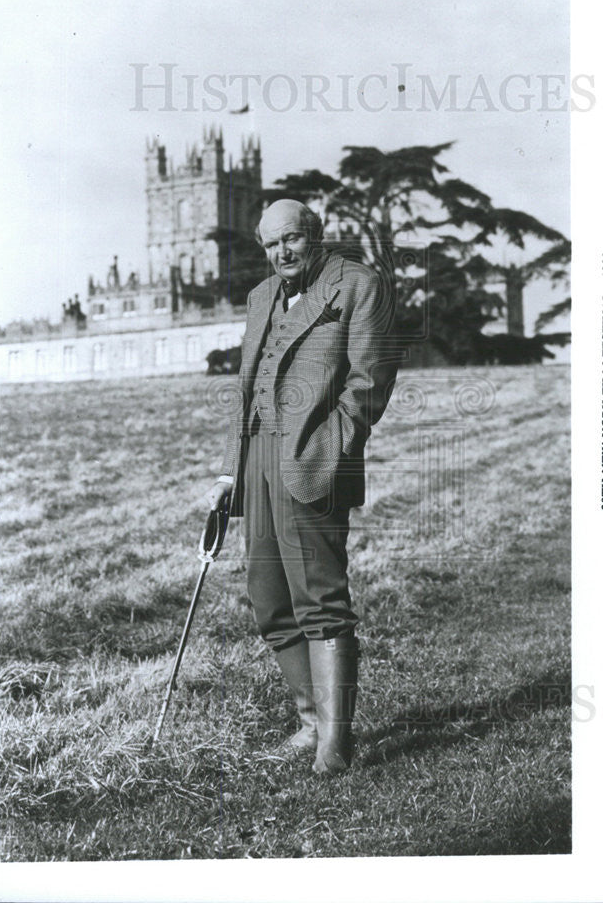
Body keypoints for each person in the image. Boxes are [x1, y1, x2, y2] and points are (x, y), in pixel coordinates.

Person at [207, 199, 399, 774]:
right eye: (270, 245)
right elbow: (247, 390)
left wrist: (329, 448)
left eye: (290, 240)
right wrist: (228, 470)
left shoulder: (359, 286)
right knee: (269, 600)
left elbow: (370, 384)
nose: (280, 253)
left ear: (316, 236)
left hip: (314, 459)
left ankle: (335, 748)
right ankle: (309, 720)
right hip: (259, 458)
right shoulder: (262, 296)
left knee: (321, 600)